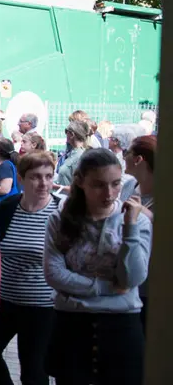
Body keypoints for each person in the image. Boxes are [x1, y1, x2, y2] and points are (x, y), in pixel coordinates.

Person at [43, 148, 152, 384]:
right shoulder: (60, 219)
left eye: (115, 184)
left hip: (121, 325)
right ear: (81, 182)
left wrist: (130, 228)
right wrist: (105, 288)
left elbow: (132, 278)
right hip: (72, 323)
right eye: (99, 185)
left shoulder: (137, 220)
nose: (110, 193)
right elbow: (54, 274)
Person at [0, 152, 60, 385]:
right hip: (5, 301)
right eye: (36, 177)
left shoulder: (61, 211)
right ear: (22, 179)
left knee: (33, 370)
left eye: (48, 176)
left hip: (43, 306)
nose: (44, 183)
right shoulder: (7, 208)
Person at [124, 135, 155, 332]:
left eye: (128, 153)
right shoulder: (128, 186)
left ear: (138, 159)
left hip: (152, 286)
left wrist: (144, 214)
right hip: (126, 281)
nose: (123, 156)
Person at [54, 120, 90, 192]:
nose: (65, 134)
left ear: (72, 134)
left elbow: (81, 188)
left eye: (66, 131)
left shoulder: (80, 157)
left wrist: (56, 187)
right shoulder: (72, 153)